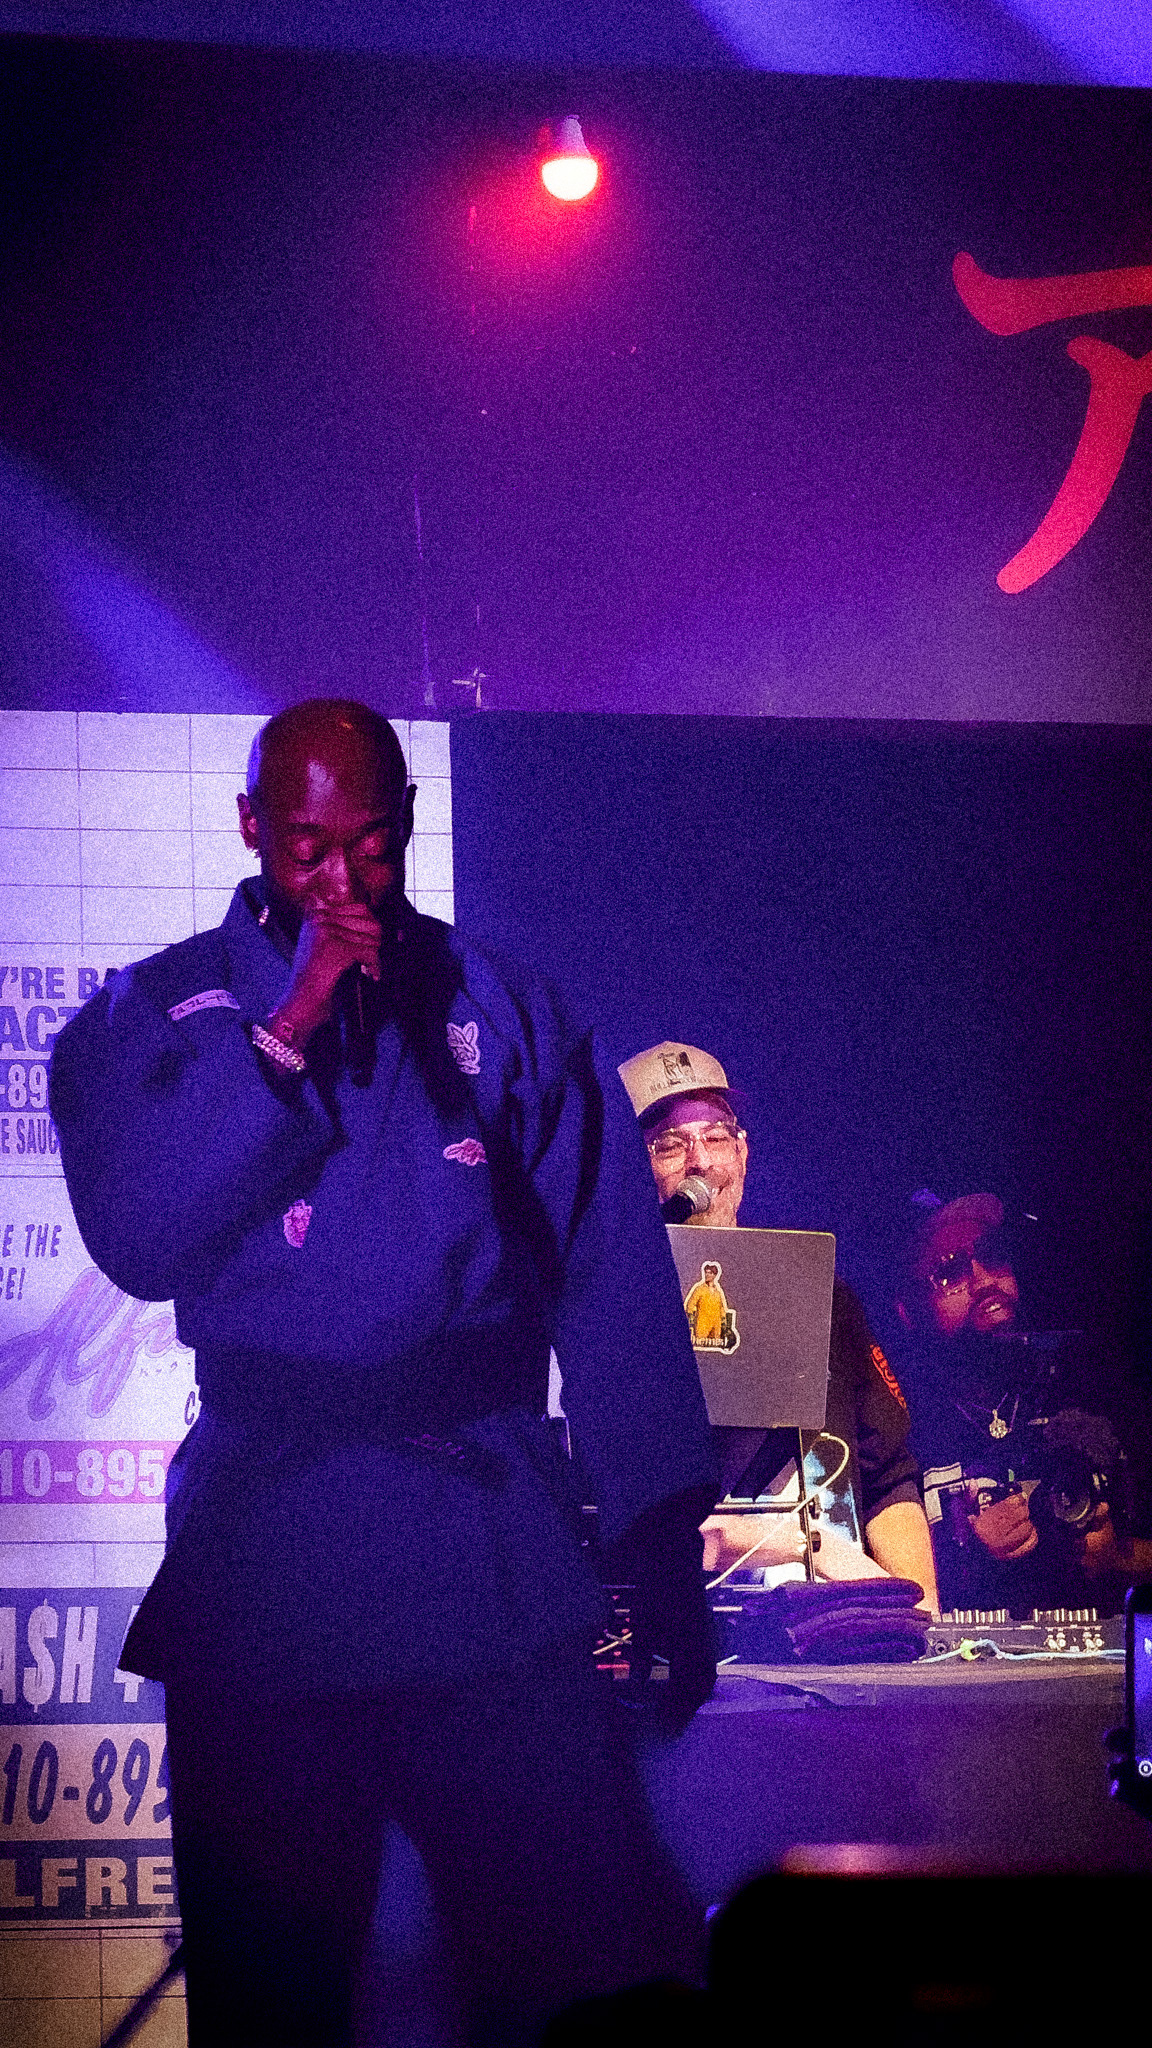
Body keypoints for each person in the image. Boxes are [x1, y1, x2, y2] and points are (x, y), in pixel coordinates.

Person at [49, 702, 719, 2048]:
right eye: (307, 849)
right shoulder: (157, 1012)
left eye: (369, 845)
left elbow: (606, 1273)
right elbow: (139, 1236)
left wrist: (658, 1539)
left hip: (484, 1549)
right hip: (268, 1551)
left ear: (407, 826)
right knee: (274, 1995)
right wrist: (291, 1020)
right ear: (251, 829)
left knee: (561, 1982)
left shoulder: (503, 1008)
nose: (341, 881)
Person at [617, 1042, 938, 1609]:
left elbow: (888, 1475)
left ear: (743, 1153)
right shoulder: (608, 1313)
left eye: (717, 1138)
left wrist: (925, 1615)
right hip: (671, 1622)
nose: (700, 1161)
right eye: (669, 1144)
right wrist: (798, 1543)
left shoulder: (821, 1292)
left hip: (824, 1624)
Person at [893, 1188, 1152, 1617]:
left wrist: (1115, 1557)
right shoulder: (898, 1424)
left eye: (992, 1256)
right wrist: (966, 1555)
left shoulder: (1094, 1387)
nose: (983, 1281)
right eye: (949, 1271)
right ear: (909, 1311)